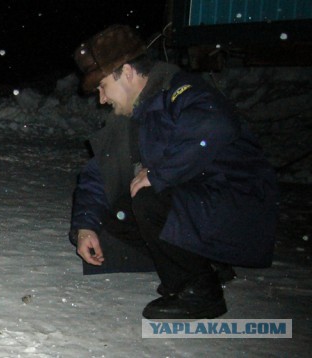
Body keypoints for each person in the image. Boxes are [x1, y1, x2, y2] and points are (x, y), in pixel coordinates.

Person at [69, 25, 279, 319]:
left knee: (148, 197)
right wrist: (85, 227)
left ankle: (199, 292)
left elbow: (215, 127)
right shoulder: (131, 114)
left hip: (238, 204)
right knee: (114, 216)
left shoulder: (181, 92)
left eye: (103, 86)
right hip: (199, 208)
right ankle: (204, 262)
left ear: (126, 73)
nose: (101, 98)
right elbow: (98, 174)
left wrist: (159, 174)